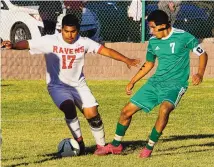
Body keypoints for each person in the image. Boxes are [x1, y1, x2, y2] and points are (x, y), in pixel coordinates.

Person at [1, 14, 140, 155]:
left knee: (93, 114)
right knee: (68, 107)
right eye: (66, 31)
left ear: (78, 30)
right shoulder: (50, 40)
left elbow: (106, 51)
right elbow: (28, 43)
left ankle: (101, 146)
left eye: (73, 31)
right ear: (61, 30)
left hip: (79, 85)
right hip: (57, 86)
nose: (69, 35)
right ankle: (80, 143)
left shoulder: (84, 42)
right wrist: (13, 45)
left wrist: (126, 60)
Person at [94, 10, 208, 158]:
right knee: (126, 111)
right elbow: (149, 64)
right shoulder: (153, 42)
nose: (151, 31)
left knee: (164, 109)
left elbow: (202, 54)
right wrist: (132, 81)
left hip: (175, 85)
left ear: (163, 25)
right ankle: (116, 145)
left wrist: (200, 73)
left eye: (153, 28)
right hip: (154, 83)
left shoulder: (183, 36)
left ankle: (149, 147)